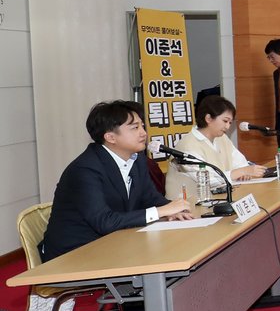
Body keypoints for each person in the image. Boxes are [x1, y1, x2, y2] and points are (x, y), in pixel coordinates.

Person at [41, 101, 196, 261]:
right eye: (135, 128)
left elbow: (151, 198)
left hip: (115, 244)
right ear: (110, 137)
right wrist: (161, 212)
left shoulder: (137, 160)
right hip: (74, 254)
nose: (143, 133)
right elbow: (104, 222)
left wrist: (173, 211)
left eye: (142, 126)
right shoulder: (85, 169)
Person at [165, 96, 268, 201]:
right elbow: (209, 180)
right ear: (208, 118)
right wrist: (241, 172)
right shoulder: (187, 145)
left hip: (217, 199)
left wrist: (244, 172)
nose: (228, 127)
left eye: (230, 123)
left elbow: (240, 163)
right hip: (185, 207)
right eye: (225, 121)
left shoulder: (221, 138)